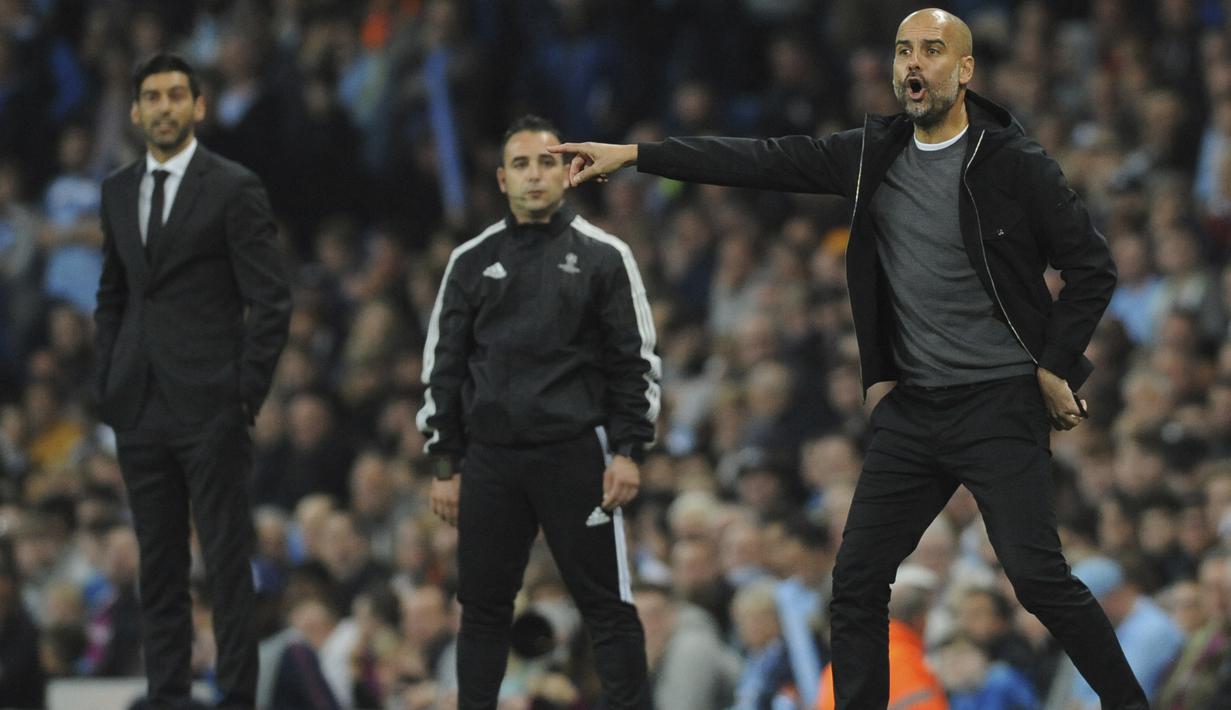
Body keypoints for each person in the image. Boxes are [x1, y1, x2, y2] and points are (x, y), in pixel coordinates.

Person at [552, 8, 1149, 710]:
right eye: (903, 51)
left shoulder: (1013, 163)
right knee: (856, 582)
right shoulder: (870, 155)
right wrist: (635, 154)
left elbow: (1092, 267)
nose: (913, 63)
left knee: (1037, 579)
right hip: (915, 410)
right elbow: (759, 159)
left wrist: (1053, 366)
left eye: (931, 50)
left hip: (998, 403)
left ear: (964, 70)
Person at [417, 114, 661, 709]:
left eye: (546, 162)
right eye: (521, 164)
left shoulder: (606, 256)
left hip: (574, 452)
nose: (534, 175)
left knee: (606, 605)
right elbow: (444, 366)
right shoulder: (470, 260)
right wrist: (445, 463)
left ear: (568, 172)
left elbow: (634, 362)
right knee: (481, 609)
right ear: (502, 179)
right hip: (491, 460)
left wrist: (628, 451)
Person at [93, 53, 291, 709]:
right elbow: (114, 295)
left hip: (211, 404)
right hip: (138, 404)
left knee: (226, 561)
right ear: (135, 111)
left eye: (177, 95)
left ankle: (236, 697)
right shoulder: (116, 189)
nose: (165, 107)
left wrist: (244, 394)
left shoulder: (234, 186)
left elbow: (271, 300)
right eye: (152, 96)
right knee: (158, 565)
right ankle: (168, 697)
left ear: (199, 106)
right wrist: (108, 378)